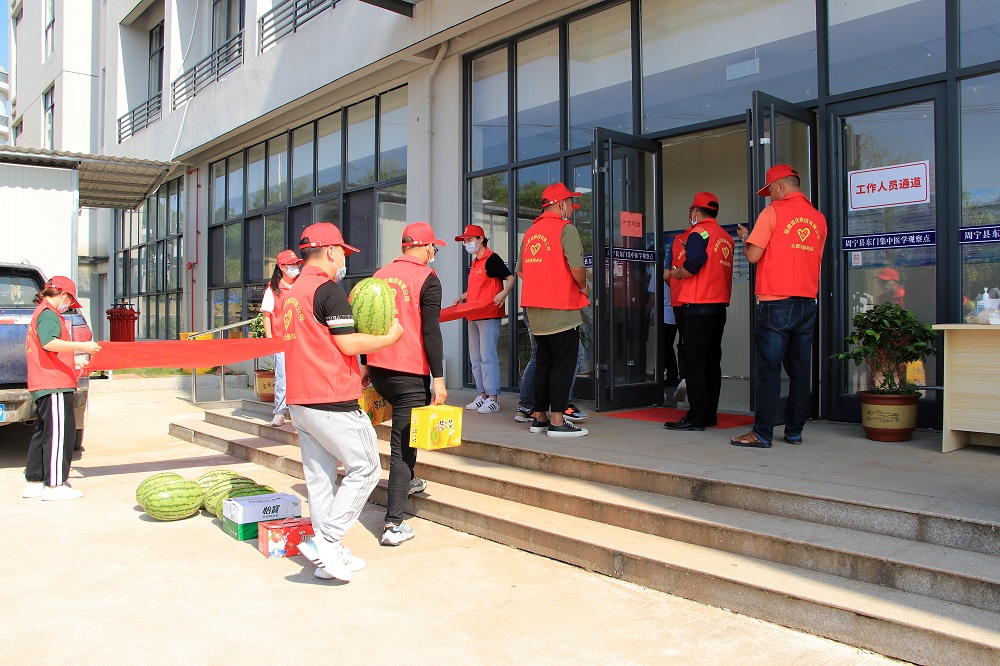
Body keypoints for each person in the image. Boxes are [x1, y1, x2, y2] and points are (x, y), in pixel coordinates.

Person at [282, 223, 404, 581]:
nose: (343, 261)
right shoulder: (328, 289)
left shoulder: (293, 291)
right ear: (332, 251)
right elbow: (347, 343)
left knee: (320, 480)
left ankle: (328, 559)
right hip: (331, 397)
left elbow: (318, 342)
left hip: (301, 400)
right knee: (365, 468)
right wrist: (391, 337)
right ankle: (327, 542)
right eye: (343, 254)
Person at [731, 165, 827, 448]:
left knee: (769, 371)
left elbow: (753, 255)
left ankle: (762, 433)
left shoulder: (772, 212)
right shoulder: (819, 218)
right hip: (807, 302)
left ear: (781, 186)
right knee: (800, 372)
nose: (770, 196)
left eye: (770, 190)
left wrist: (745, 238)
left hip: (776, 303)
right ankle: (794, 432)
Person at [365, 222, 448, 547]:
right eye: (434, 247)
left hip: (379, 369)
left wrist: (365, 364)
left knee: (404, 438)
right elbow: (430, 331)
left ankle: (409, 482)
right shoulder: (427, 278)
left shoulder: (380, 275)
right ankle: (393, 524)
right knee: (402, 447)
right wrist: (438, 379)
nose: (434, 252)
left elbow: (367, 322)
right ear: (426, 247)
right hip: (409, 373)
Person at [515, 182, 590, 438]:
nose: (571, 207)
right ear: (561, 204)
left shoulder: (531, 232)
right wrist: (583, 288)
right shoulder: (565, 229)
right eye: (569, 203)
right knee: (563, 365)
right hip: (561, 308)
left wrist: (543, 282)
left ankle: (539, 418)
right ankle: (557, 421)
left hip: (535, 311)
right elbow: (577, 268)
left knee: (544, 363)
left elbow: (521, 270)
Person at [22, 276, 101, 501]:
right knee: (59, 434)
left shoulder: (41, 312)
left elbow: (47, 352)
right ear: (64, 295)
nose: (68, 305)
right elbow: (49, 343)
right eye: (69, 300)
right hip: (53, 383)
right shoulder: (49, 314)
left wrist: (74, 361)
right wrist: (82, 346)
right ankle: (55, 485)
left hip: (46, 381)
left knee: (44, 432)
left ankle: (35, 482)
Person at [665, 193, 734, 432]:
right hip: (719, 308)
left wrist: (679, 273)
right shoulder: (726, 237)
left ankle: (695, 418)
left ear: (695, 211)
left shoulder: (699, 232)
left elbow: (695, 262)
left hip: (699, 306)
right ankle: (709, 415)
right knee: (712, 364)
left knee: (694, 364)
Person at [453, 224, 515, 414]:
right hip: (473, 315)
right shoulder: (476, 263)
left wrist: (504, 293)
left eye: (470, 240)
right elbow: (478, 288)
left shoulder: (492, 258)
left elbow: (510, 278)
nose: (467, 243)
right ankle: (483, 395)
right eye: (465, 241)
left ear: (481, 239)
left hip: (488, 314)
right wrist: (464, 296)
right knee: (476, 358)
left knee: (488, 357)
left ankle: (493, 398)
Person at [260, 249, 302, 427]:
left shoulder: (301, 285)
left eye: (297, 264)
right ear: (282, 267)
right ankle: (279, 412)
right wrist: (270, 341)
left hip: (300, 340)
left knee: (300, 376)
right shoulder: (273, 288)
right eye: (292, 265)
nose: (295, 267)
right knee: (282, 378)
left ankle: (298, 411)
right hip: (281, 340)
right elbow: (267, 315)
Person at [646, 266, 679, 386]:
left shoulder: (657, 268)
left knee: (665, 346)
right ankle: (662, 373)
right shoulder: (673, 267)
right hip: (674, 312)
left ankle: (671, 375)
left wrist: (646, 311)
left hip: (665, 313)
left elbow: (653, 295)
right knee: (667, 345)